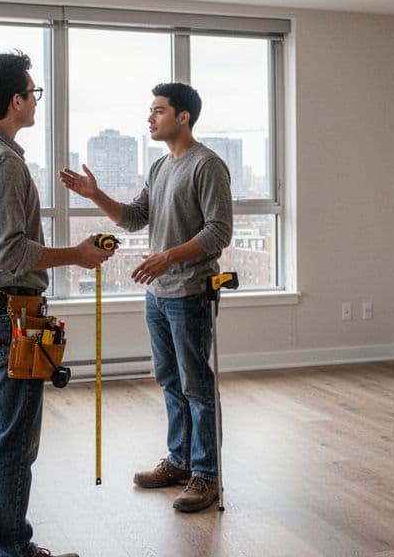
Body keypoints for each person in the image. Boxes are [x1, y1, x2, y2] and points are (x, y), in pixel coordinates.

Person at [0, 51, 112, 557]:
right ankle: (12, 550)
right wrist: (78, 256)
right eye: (33, 93)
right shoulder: (1, 163)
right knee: (12, 442)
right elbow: (9, 252)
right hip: (2, 316)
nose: (35, 100)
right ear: (15, 101)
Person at [58, 82, 233, 513]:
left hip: (189, 293)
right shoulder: (159, 168)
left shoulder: (206, 165)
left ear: (184, 117)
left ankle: (207, 476)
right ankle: (179, 461)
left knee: (197, 386)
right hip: (157, 294)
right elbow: (135, 219)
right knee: (170, 381)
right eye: (150, 111)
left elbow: (218, 231)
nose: (150, 118)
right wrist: (93, 194)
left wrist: (169, 257)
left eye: (158, 110)